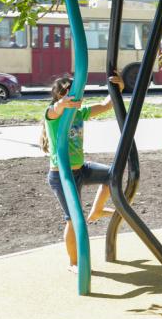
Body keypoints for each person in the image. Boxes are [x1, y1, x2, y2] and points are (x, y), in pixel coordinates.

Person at [39, 74, 123, 272]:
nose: (80, 98)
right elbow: (54, 110)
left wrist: (118, 88)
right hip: (62, 176)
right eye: (75, 94)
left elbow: (105, 105)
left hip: (81, 169)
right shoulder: (54, 116)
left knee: (112, 175)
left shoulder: (80, 113)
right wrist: (62, 103)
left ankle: (97, 210)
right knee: (73, 218)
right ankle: (74, 263)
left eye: (81, 94)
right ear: (63, 95)